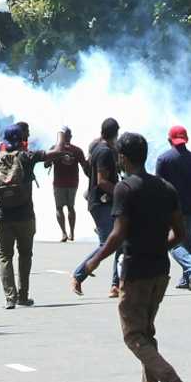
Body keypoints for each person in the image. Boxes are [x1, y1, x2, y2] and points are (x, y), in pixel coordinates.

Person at [82, 132, 191, 382]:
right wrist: (158, 247)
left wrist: (93, 262)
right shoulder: (166, 188)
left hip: (136, 271)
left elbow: (117, 234)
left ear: (122, 157)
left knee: (133, 335)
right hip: (160, 270)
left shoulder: (124, 189)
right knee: (146, 332)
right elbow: (180, 233)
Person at [0, 125, 67, 309]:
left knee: (5, 257)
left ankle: (10, 297)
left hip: (2, 217)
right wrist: (60, 131)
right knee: (25, 255)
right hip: (25, 215)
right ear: (22, 140)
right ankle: (23, 296)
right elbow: (59, 151)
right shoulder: (27, 157)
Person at [156, 126, 191, 290]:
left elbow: (159, 186)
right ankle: (187, 279)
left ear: (169, 140)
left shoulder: (163, 159)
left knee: (173, 243)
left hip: (171, 208)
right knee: (189, 241)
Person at [72, 118, 122, 297]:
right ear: (116, 133)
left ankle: (117, 285)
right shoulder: (104, 152)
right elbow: (102, 181)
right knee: (108, 243)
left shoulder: (99, 149)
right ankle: (79, 274)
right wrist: (122, 191)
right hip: (102, 203)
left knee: (120, 242)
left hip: (103, 202)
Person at [46, 126, 89, 242]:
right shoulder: (77, 150)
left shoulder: (55, 148)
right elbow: (85, 166)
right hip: (72, 182)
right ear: (69, 136)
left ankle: (65, 233)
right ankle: (70, 233)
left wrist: (54, 156)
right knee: (70, 207)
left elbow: (46, 164)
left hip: (60, 183)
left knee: (60, 208)